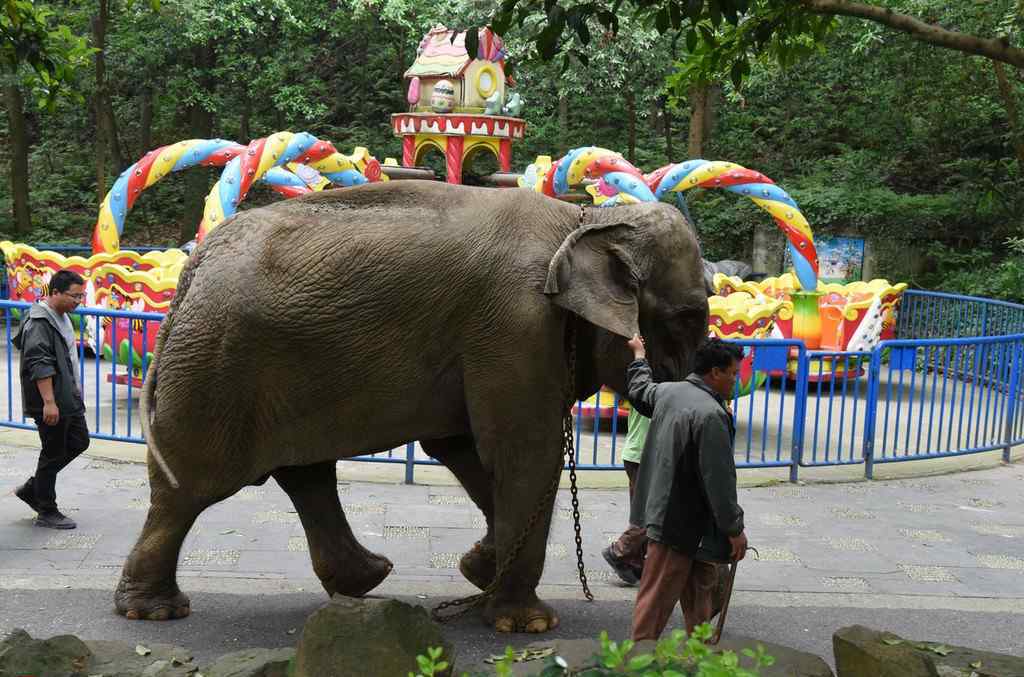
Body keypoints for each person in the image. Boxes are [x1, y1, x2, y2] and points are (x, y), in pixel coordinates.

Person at [626, 334, 747, 641]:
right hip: (679, 522)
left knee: (699, 590)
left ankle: (700, 657)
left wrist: (639, 354)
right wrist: (734, 529)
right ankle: (638, 660)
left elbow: (639, 389)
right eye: (733, 372)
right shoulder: (710, 415)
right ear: (715, 372)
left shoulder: (669, 393)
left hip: (681, 520)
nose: (737, 379)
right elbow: (719, 481)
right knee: (657, 597)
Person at [12, 270, 90, 529]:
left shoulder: (62, 315)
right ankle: (46, 509)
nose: (79, 301)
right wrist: (49, 402)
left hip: (68, 396)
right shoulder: (40, 323)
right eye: (74, 296)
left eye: (82, 295)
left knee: (79, 441)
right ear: (55, 292)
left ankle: (34, 488)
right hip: (52, 400)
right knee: (53, 452)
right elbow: (39, 363)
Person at [601, 406, 650, 585]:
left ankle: (634, 560)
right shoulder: (659, 387)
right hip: (645, 456)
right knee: (651, 514)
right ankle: (620, 550)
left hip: (636, 454)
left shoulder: (642, 385)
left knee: (642, 513)